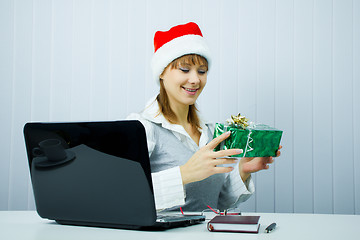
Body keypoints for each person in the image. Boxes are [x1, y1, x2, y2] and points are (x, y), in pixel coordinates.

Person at [127, 22, 281, 212]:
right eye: (184, 70)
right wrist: (184, 174)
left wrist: (242, 171)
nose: (195, 80)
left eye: (202, 71)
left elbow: (213, 204)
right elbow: (122, 195)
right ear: (162, 73)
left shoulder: (208, 131)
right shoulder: (141, 127)